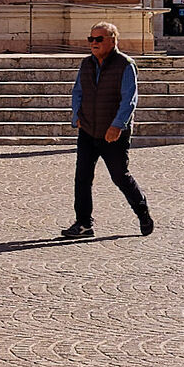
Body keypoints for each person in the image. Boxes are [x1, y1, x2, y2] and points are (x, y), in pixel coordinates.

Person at [59, 20, 154, 240]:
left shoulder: (125, 64)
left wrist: (117, 125)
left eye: (99, 39)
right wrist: (76, 116)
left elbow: (129, 99)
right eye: (91, 39)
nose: (93, 43)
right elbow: (78, 92)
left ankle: (142, 212)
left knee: (120, 176)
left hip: (113, 133)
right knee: (82, 178)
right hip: (88, 129)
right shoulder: (86, 64)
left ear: (112, 40)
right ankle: (83, 224)